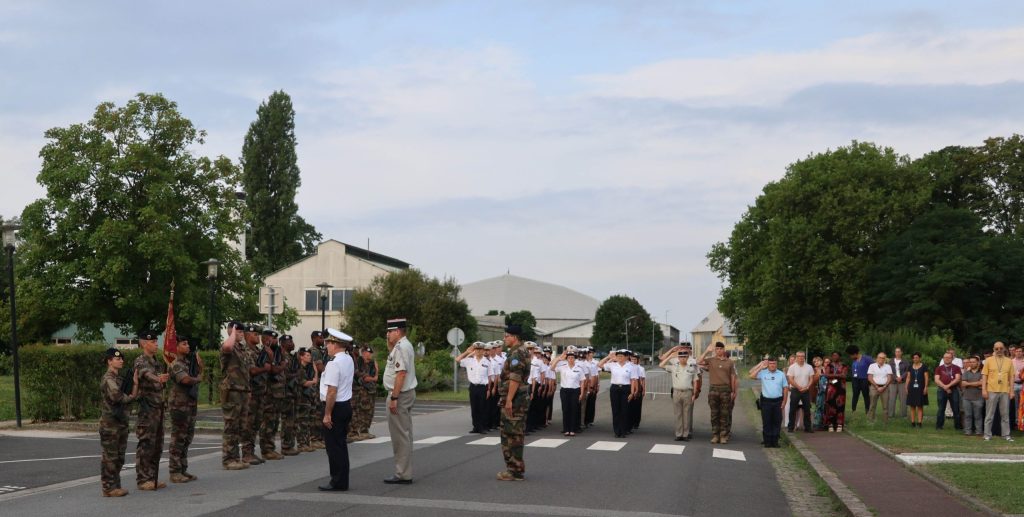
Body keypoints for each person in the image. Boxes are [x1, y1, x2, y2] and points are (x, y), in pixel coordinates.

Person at [99, 348, 140, 497]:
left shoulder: (120, 379)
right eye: (117, 359)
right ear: (109, 361)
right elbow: (118, 397)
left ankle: (115, 485)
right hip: (110, 424)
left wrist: (134, 385)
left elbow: (128, 395)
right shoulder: (108, 379)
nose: (121, 360)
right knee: (110, 457)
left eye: (122, 358)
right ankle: (108, 487)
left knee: (119, 457)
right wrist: (132, 395)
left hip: (120, 422)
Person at [318, 328, 354, 492]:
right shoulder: (348, 359)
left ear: (335, 344)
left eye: (328, 343)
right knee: (340, 445)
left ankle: (337, 481)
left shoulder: (334, 363)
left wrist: (327, 414)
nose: (326, 347)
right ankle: (342, 480)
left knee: (333, 447)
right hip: (345, 405)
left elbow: (332, 391)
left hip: (335, 407)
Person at [382, 318, 417, 484]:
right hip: (406, 393)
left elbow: (401, 374)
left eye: (389, 331)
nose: (387, 334)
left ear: (397, 331)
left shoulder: (401, 347)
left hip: (400, 395)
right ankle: (405, 471)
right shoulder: (402, 345)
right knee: (405, 433)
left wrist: (394, 398)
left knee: (400, 436)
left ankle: (402, 473)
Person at [133, 329, 168, 490]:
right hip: (147, 409)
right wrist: (158, 378)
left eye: (156, 341)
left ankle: (152, 478)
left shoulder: (156, 361)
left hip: (158, 408)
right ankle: (143, 479)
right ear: (143, 343)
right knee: (146, 444)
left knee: (157, 444)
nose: (156, 344)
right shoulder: (140, 361)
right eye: (153, 342)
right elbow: (146, 374)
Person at [496, 324, 530, 481]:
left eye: (506, 336)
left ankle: (515, 470)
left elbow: (515, 379)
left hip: (515, 400)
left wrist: (509, 400)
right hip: (517, 399)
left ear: (514, 337)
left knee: (512, 435)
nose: (504, 338)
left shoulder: (517, 353)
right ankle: (514, 468)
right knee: (511, 433)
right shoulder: (520, 351)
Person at [168, 335, 202, 483]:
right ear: (176, 347)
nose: (187, 346)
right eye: (184, 343)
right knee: (178, 438)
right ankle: (174, 471)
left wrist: (201, 367)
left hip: (190, 403)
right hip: (179, 405)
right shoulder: (175, 363)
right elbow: (185, 380)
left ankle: (183, 469)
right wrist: (197, 379)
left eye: (187, 343)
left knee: (187, 438)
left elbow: (198, 374)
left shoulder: (188, 362)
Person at [220, 322, 252, 469]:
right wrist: (232, 332)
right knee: (231, 426)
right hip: (232, 391)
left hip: (243, 391)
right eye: (238, 331)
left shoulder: (241, 348)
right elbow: (227, 347)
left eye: (241, 331)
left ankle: (235, 457)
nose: (241, 333)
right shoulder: (228, 346)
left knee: (239, 427)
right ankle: (228, 459)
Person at [699, 341, 739, 443]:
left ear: (724, 350)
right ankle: (715, 435)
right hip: (713, 390)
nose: (719, 350)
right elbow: (698, 361)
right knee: (714, 414)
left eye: (721, 349)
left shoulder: (729, 362)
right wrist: (707, 351)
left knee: (724, 414)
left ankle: (723, 436)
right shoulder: (711, 360)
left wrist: (733, 391)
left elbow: (733, 377)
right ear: (715, 350)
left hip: (725, 390)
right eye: (717, 349)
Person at [660, 344, 701, 441]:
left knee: (687, 414)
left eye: (685, 357)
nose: (683, 359)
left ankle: (685, 434)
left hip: (688, 392)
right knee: (678, 414)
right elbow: (661, 365)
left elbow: (695, 380)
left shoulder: (692, 367)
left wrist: (695, 393)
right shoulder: (674, 366)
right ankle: (678, 434)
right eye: (681, 357)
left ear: (687, 357)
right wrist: (670, 356)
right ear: (678, 357)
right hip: (676, 392)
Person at [242, 324, 270, 465]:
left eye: (258, 334)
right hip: (252, 392)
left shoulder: (259, 351)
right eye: (254, 335)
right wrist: (264, 369)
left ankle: (251, 451)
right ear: (247, 335)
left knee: (256, 423)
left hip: (261, 392)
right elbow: (251, 371)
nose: (257, 337)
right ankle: (246, 453)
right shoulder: (246, 351)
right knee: (249, 423)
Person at [598, 349, 639, 438]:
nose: (620, 358)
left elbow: (633, 380)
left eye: (621, 356)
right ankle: (617, 431)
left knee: (624, 410)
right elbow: (599, 365)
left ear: (626, 357)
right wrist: (608, 357)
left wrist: (632, 393)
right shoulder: (613, 365)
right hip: (615, 388)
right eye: (618, 356)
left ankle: (624, 431)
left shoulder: (631, 366)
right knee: (615, 410)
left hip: (626, 388)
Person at [750, 357, 789, 448]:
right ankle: (767, 441)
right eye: (770, 363)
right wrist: (760, 367)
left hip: (778, 401)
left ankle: (775, 441)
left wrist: (784, 401)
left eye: (774, 363)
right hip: (766, 401)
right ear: (768, 364)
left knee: (777, 421)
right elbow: (751, 376)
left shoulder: (781, 374)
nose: (772, 365)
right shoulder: (763, 373)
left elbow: (785, 388)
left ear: (776, 364)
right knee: (767, 421)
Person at [260, 329, 286, 460]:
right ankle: (266, 449)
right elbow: (273, 370)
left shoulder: (277, 353)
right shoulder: (264, 353)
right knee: (268, 422)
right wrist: (282, 365)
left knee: (275, 422)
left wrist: (280, 363)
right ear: (265, 339)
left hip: (278, 393)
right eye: (272, 338)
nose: (275, 341)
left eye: (276, 338)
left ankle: (271, 448)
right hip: (268, 393)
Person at [456, 342, 491, 434]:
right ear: (474, 350)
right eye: (476, 349)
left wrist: (489, 389)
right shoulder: (469, 360)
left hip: (483, 387)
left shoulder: (487, 362)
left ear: (483, 351)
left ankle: (482, 427)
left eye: (480, 349)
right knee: (474, 408)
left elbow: (490, 377)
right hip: (473, 387)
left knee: (482, 407)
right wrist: (467, 352)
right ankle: (475, 427)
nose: (478, 351)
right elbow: (458, 359)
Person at [982, 341, 1014, 441]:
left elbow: (1011, 377)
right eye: (997, 348)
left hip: (1004, 390)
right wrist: (984, 390)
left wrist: (1011, 391)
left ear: (1004, 349)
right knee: (989, 415)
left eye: (1001, 348)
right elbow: (984, 376)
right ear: (993, 349)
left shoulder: (1009, 361)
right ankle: (987, 434)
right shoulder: (988, 360)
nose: (999, 350)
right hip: (991, 390)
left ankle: (1006, 435)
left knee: (1005, 415)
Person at [553, 349, 587, 436]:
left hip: (575, 391)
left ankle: (572, 429)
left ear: (575, 359)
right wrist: (559, 358)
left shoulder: (579, 369)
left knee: (574, 410)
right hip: (565, 391)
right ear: (567, 359)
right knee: (565, 410)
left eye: (572, 357)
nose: (571, 359)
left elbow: (582, 381)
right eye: (569, 357)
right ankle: (566, 429)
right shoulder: (563, 367)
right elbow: (552, 367)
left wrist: (582, 393)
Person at [350, 344, 379, 441]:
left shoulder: (371, 363)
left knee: (369, 411)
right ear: (363, 353)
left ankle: (365, 430)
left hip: (371, 390)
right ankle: (359, 431)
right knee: (361, 411)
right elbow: (364, 377)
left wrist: (372, 378)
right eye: (368, 353)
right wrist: (371, 378)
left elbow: (375, 377)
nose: (370, 355)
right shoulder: (359, 362)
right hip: (361, 391)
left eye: (370, 353)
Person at [278, 335, 301, 455]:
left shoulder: (291, 357)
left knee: (292, 420)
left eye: (292, 341)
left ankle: (290, 444)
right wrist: (296, 374)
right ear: (282, 343)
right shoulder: (281, 356)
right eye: (289, 341)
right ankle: (286, 446)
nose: (292, 343)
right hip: (286, 392)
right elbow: (284, 374)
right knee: (287, 420)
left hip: (293, 392)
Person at [296, 347, 320, 452]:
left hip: (309, 397)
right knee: (302, 421)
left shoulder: (308, 368)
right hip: (302, 398)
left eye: (310, 355)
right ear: (301, 356)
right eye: (307, 355)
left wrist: (314, 369)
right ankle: (302, 444)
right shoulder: (299, 368)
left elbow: (315, 378)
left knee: (309, 420)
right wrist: (313, 381)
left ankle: (306, 442)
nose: (309, 357)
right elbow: (304, 382)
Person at [786, 351, 814, 433]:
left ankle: (808, 427)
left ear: (804, 357)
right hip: (795, 390)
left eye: (802, 356)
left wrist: (807, 387)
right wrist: (798, 387)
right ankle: (791, 427)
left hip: (806, 390)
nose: (801, 358)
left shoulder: (809, 367)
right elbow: (790, 379)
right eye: (799, 356)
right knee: (793, 409)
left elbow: (811, 379)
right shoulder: (792, 367)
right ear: (796, 357)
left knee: (807, 410)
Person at [934, 352, 962, 431]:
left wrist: (948, 386)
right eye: (945, 357)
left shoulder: (956, 368)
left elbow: (957, 379)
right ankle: (939, 426)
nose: (947, 359)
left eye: (949, 357)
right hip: (941, 390)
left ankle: (957, 426)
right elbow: (936, 379)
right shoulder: (939, 368)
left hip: (953, 390)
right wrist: (945, 387)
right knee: (941, 409)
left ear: (952, 358)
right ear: (943, 358)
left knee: (956, 409)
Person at [823, 352, 847, 432]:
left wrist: (832, 375)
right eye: (833, 355)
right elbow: (826, 375)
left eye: (836, 355)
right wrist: (838, 375)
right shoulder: (829, 366)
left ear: (839, 357)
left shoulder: (844, 366)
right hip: (831, 389)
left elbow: (844, 375)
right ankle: (830, 424)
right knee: (830, 405)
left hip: (841, 389)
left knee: (840, 406)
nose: (834, 357)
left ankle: (839, 424)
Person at [866, 352, 892, 423]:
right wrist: (877, 387)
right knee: (872, 405)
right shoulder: (872, 366)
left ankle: (885, 422)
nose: (881, 359)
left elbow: (889, 378)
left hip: (885, 388)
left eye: (883, 358)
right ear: (877, 358)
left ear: (885, 359)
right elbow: (870, 378)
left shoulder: (888, 366)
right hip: (874, 387)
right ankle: (871, 421)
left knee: (885, 406)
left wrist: (884, 387)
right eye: (880, 357)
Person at [905, 353, 929, 428]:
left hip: (921, 388)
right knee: (912, 406)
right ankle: (912, 422)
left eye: (917, 357)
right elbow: (908, 377)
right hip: (912, 388)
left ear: (920, 358)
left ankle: (919, 422)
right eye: (914, 358)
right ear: (912, 359)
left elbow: (926, 377)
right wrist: (906, 387)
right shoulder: (910, 367)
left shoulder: (924, 366)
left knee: (920, 406)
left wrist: (926, 387)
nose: (915, 359)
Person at [962, 355, 984, 436]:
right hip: (966, 398)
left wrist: (969, 383)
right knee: (967, 415)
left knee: (978, 415)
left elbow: (982, 383)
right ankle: (968, 432)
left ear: (978, 362)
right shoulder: (966, 373)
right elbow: (963, 384)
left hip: (978, 397)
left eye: (973, 362)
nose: (971, 363)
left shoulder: (982, 373)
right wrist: (976, 383)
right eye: (970, 362)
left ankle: (978, 432)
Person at [847, 345, 873, 414]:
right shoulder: (854, 360)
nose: (850, 357)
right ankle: (853, 410)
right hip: (855, 380)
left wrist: (871, 377)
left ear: (855, 353)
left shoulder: (867, 358)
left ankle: (867, 411)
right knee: (855, 395)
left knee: (866, 395)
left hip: (864, 380)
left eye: (850, 355)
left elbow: (874, 366)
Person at [888, 347, 909, 419]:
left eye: (899, 351)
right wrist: (896, 377)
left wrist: (901, 377)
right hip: (893, 382)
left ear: (901, 352)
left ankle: (904, 415)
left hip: (902, 382)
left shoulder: (905, 361)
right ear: (895, 353)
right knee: (891, 399)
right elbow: (889, 371)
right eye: (896, 352)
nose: (897, 353)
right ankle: (890, 415)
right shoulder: (890, 362)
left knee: (903, 399)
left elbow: (907, 371)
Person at [629, 353, 647, 431]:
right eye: (632, 359)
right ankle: (630, 422)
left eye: (635, 359)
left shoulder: (641, 368)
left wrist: (643, 390)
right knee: (630, 406)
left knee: (637, 406)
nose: (633, 360)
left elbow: (642, 380)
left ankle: (636, 422)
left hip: (639, 387)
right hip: (630, 387)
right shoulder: (629, 367)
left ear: (638, 360)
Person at [813, 357, 828, 430]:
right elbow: (813, 381)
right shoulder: (813, 370)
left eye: (818, 361)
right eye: (814, 362)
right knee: (818, 406)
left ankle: (825, 423)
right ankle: (817, 423)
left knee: (825, 407)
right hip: (818, 391)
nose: (816, 362)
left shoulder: (826, 369)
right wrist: (817, 374)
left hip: (827, 390)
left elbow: (832, 379)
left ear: (822, 361)